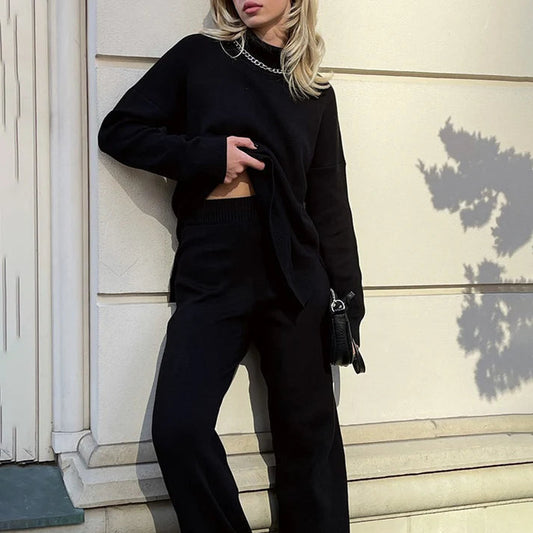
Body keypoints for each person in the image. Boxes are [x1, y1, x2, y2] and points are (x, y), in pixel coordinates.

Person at [97, 0, 365, 531]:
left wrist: (348, 303)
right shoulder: (199, 57)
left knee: (310, 439)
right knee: (179, 427)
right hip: (214, 261)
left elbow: (330, 202)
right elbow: (120, 130)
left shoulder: (314, 93)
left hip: (295, 269)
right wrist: (208, 155)